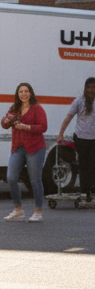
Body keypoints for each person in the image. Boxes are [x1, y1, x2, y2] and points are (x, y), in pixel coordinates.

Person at [2, 82, 48, 223]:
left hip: (35, 147)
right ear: (17, 94)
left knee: (35, 180)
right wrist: (7, 119)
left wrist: (25, 126)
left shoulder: (37, 108)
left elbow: (43, 127)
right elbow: (4, 125)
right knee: (11, 178)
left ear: (31, 93)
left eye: (26, 91)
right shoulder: (14, 108)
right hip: (18, 147)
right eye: (21, 92)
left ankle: (38, 211)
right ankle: (18, 210)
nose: (23, 94)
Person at [56, 76, 95, 205]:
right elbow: (69, 117)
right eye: (89, 87)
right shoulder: (79, 101)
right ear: (85, 88)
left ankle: (91, 189)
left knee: (92, 165)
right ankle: (85, 191)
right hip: (81, 138)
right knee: (84, 165)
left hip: (93, 139)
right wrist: (60, 134)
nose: (91, 90)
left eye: (93, 87)